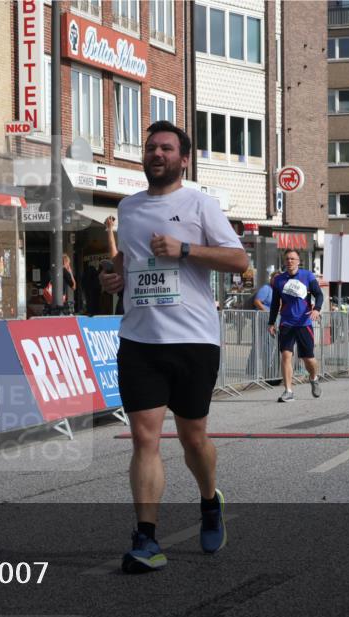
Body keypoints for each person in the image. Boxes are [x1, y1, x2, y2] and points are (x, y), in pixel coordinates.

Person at [99, 120, 249, 573]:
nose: (157, 154)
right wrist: (114, 274)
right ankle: (146, 539)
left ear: (183, 159)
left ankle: (209, 500)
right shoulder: (128, 207)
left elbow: (238, 259)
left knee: (192, 437)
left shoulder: (201, 204)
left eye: (166, 148)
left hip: (193, 339)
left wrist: (184, 250)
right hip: (140, 339)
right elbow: (126, 258)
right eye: (151, 148)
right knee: (145, 438)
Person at [268, 249, 324, 402]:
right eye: (287, 259)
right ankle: (288, 391)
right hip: (286, 322)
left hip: (304, 322)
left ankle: (313, 378)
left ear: (299, 261)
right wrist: (271, 322)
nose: (290, 261)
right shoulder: (279, 280)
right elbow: (274, 303)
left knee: (308, 359)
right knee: (286, 355)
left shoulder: (307, 276)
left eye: (293, 259)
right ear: (284, 261)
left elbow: (319, 294)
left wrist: (317, 309)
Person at [247, 271, 280, 379]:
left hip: (271, 320)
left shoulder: (278, 290)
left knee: (265, 345)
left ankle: (254, 371)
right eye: (275, 278)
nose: (276, 280)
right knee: (263, 345)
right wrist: (268, 312)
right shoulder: (266, 288)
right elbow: (257, 301)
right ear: (271, 279)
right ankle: (258, 371)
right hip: (262, 319)